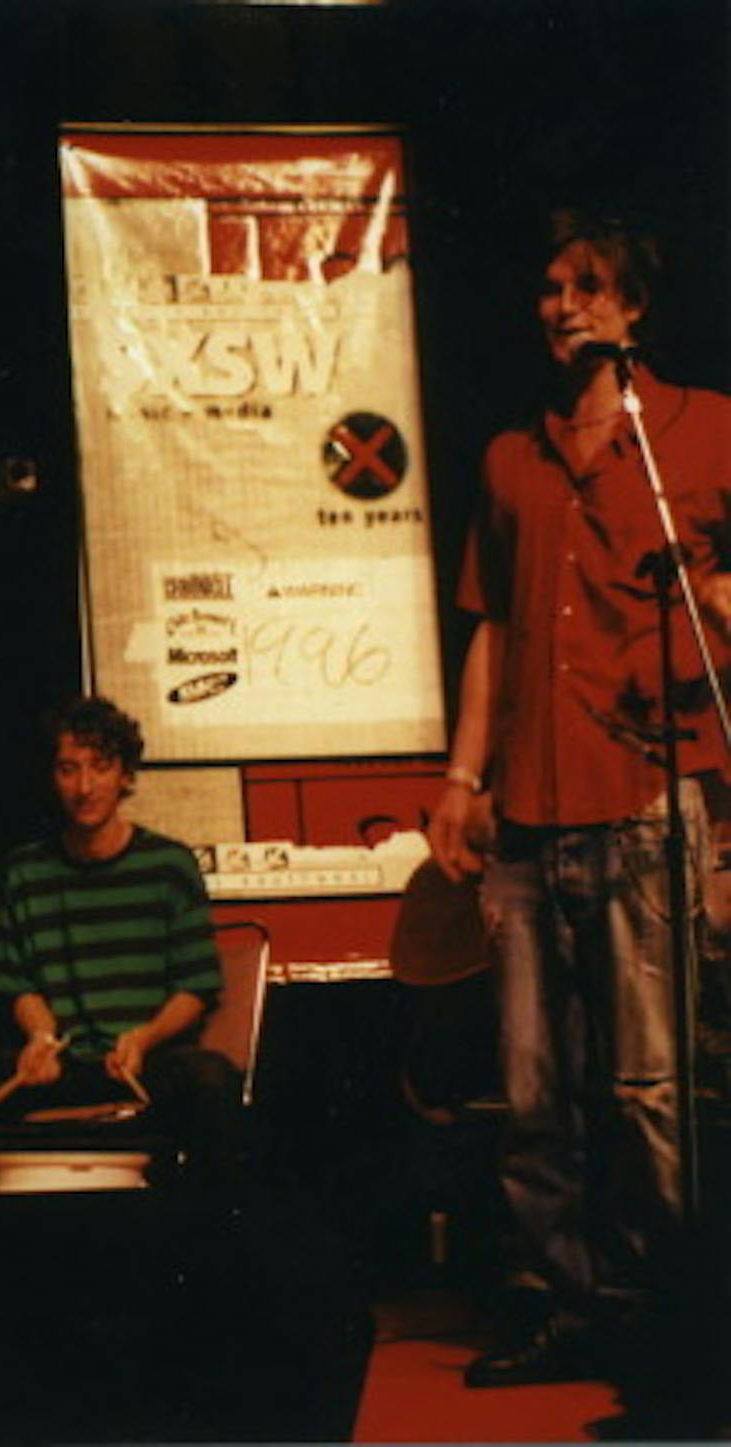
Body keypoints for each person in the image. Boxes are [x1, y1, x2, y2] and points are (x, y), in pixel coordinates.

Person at [428, 210, 731, 1393]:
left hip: (647, 798)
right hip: (530, 816)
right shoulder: (513, 456)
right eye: (550, 287)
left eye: (588, 285)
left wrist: (706, 590)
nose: (562, 305)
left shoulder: (702, 436)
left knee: (650, 1083)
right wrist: (462, 781)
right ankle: (558, 1299)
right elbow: (493, 631)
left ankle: (665, 1306)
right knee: (530, 1083)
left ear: (635, 306)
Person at [0, 695, 239, 1183]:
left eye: (100, 767)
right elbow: (20, 983)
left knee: (210, 1079)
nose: (84, 786)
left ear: (126, 776)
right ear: (52, 778)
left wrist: (144, 1038)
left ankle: (214, 1240)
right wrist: (41, 1037)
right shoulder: (25, 871)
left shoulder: (169, 865)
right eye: (68, 770)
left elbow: (196, 988)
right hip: (62, 1068)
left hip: (142, 1063)